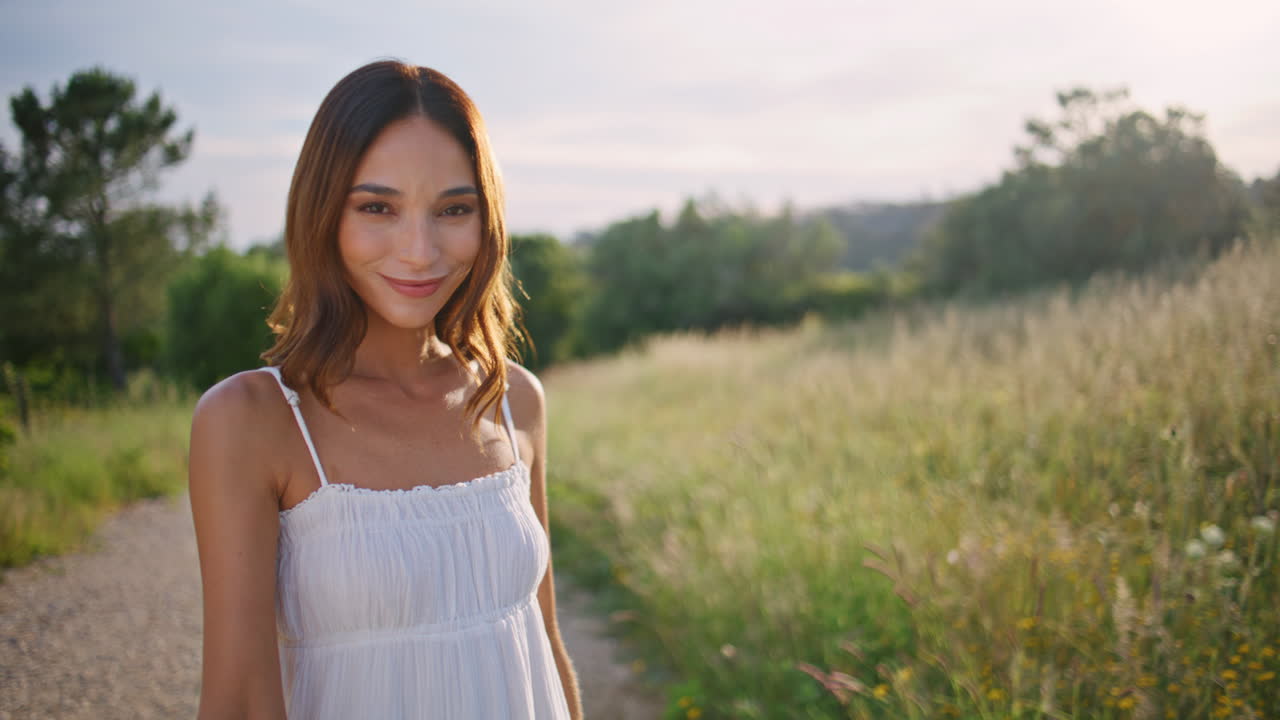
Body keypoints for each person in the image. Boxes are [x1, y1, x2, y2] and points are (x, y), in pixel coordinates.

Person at [187, 60, 583, 719]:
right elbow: (237, 700)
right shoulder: (251, 419)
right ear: (322, 215)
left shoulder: (515, 399)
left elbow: (544, 637)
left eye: (454, 209)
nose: (419, 250)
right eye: (378, 207)